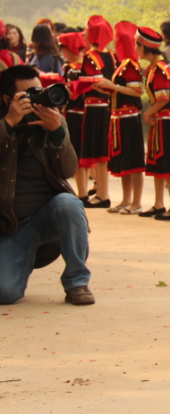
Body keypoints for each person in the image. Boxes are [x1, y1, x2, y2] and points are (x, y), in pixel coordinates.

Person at [0, 65, 94, 306]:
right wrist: (9, 122)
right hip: (9, 226)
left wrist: (56, 133)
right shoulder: (4, 120)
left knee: (69, 203)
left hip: (44, 218)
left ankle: (77, 282)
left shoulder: (52, 119)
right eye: (27, 94)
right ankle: (16, 258)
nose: (36, 98)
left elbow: (68, 170)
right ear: (7, 99)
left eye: (39, 90)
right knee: (5, 293)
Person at [91, 22, 145, 214]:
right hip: (119, 118)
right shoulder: (122, 64)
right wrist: (105, 88)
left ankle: (136, 201)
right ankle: (126, 199)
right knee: (124, 160)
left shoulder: (131, 65)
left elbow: (137, 91)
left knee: (134, 162)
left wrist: (112, 87)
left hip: (129, 117)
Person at [136, 27, 170, 221]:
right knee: (157, 163)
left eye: (137, 45)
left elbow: (163, 98)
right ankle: (158, 203)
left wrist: (148, 112)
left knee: (168, 164)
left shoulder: (161, 69)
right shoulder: (155, 68)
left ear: (144, 47)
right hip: (161, 120)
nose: (136, 49)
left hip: (167, 121)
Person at [79, 15, 116, 209]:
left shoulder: (89, 57)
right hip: (108, 106)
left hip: (94, 107)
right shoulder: (111, 55)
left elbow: (93, 82)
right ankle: (102, 192)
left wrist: (76, 83)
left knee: (98, 152)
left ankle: (102, 194)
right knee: (102, 152)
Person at [57, 30, 88, 200]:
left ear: (68, 50)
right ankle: (83, 190)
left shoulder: (70, 68)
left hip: (74, 114)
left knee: (75, 152)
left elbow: (70, 93)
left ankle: (82, 192)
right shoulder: (87, 65)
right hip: (85, 112)